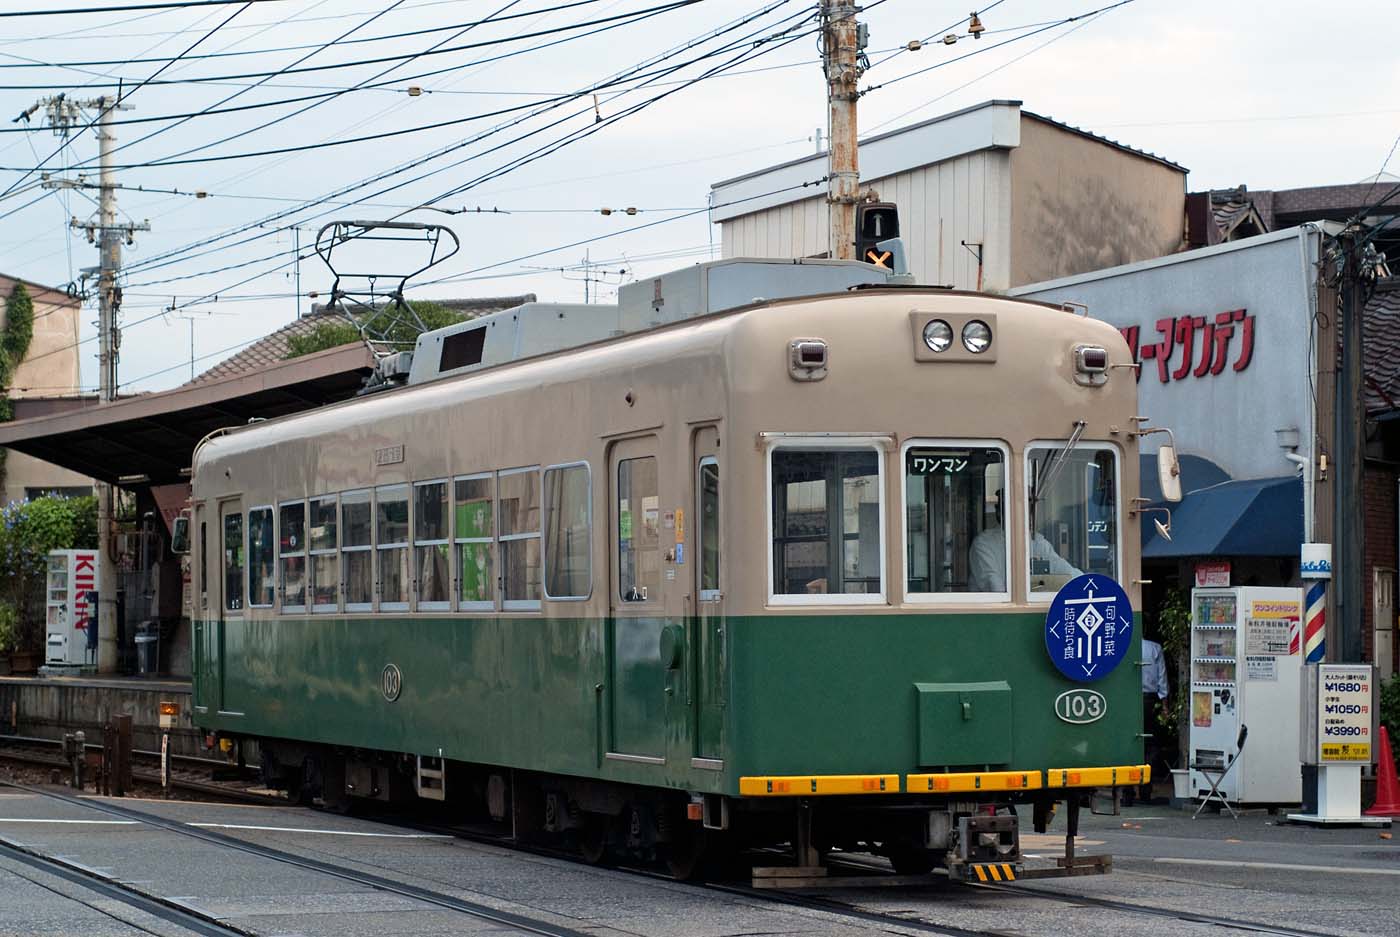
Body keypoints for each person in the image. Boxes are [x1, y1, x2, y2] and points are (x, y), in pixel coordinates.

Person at [968, 497, 1081, 592]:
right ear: (999, 512)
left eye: (1028, 509)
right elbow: (994, 584)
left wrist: (1088, 584)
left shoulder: (1035, 541)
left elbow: (1063, 570)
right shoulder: (984, 543)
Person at [1133, 637, 1170, 805]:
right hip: (1150, 699)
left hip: (1129, 699)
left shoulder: (1123, 646)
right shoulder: (1155, 647)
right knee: (1152, 743)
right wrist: (1164, 705)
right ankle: (1146, 789)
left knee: (1131, 743)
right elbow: (1162, 678)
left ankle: (1127, 792)